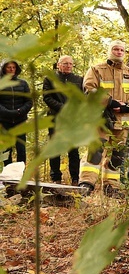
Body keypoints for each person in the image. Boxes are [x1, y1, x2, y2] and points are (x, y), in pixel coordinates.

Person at [80, 40, 129, 193]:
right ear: (110, 51)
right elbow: (89, 89)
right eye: (116, 49)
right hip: (101, 119)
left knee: (118, 156)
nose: (119, 52)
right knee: (95, 152)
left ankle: (111, 187)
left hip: (122, 122)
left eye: (121, 50)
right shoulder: (96, 70)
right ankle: (86, 183)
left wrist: (128, 105)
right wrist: (109, 102)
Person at [42, 55, 84, 184]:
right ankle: (56, 178)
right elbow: (47, 98)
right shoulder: (50, 79)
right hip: (55, 118)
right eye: (65, 64)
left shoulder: (78, 79)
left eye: (71, 64)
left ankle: (75, 178)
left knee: (73, 150)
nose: (68, 66)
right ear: (58, 65)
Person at [0, 60, 32, 165]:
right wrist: (7, 112)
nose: (11, 69)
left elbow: (29, 101)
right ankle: (7, 174)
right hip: (4, 121)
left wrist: (20, 111)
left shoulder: (23, 83)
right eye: (9, 67)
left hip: (20, 121)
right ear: (4, 69)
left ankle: (20, 173)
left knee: (21, 149)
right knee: (6, 149)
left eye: (13, 67)